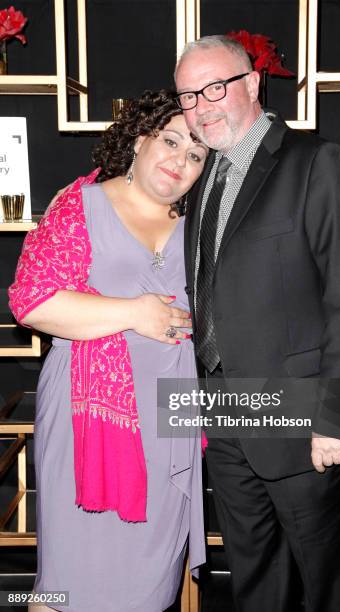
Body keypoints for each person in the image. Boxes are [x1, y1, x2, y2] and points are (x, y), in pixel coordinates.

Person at [174, 36, 340, 612]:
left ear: (253, 84)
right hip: (224, 416)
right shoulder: (203, 177)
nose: (201, 105)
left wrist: (338, 420)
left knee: (328, 582)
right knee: (255, 577)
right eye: (189, 94)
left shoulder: (315, 163)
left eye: (215, 87)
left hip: (303, 422)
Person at [8, 90, 209, 612]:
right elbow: (32, 300)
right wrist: (134, 312)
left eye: (195, 154)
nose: (179, 161)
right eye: (170, 141)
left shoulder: (200, 226)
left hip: (170, 425)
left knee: (150, 587)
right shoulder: (82, 203)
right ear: (141, 140)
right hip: (86, 425)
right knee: (65, 582)